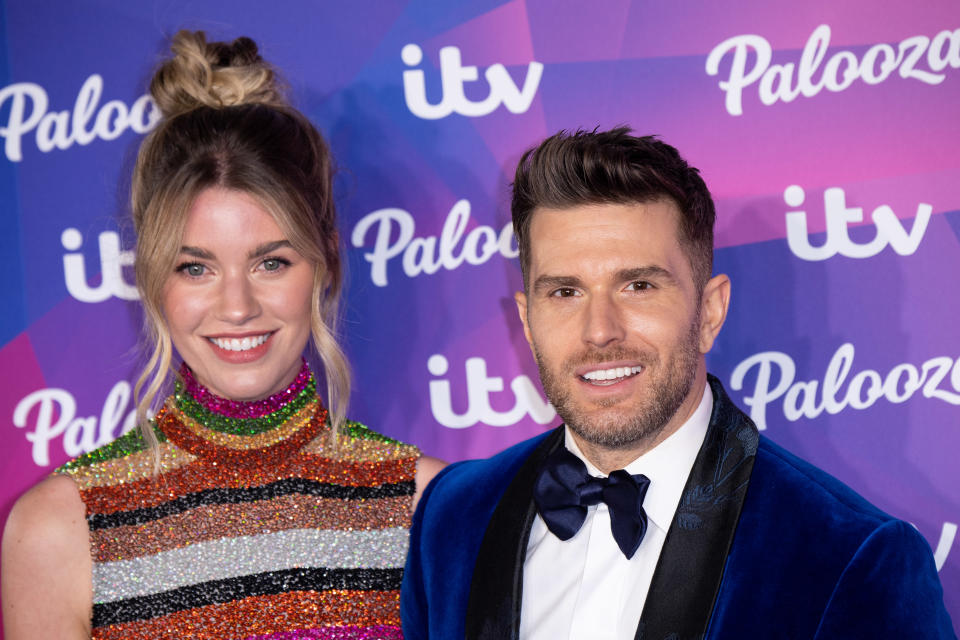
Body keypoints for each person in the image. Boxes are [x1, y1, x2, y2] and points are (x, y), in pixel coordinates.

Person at [401, 128, 955, 639]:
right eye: (565, 292)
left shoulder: (849, 557)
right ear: (526, 321)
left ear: (710, 311)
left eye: (638, 285)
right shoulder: (453, 515)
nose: (599, 332)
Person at [1, 31, 444, 640]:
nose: (237, 307)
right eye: (196, 268)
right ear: (154, 279)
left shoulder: (431, 512)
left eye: (271, 262)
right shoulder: (57, 528)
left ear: (328, 264)